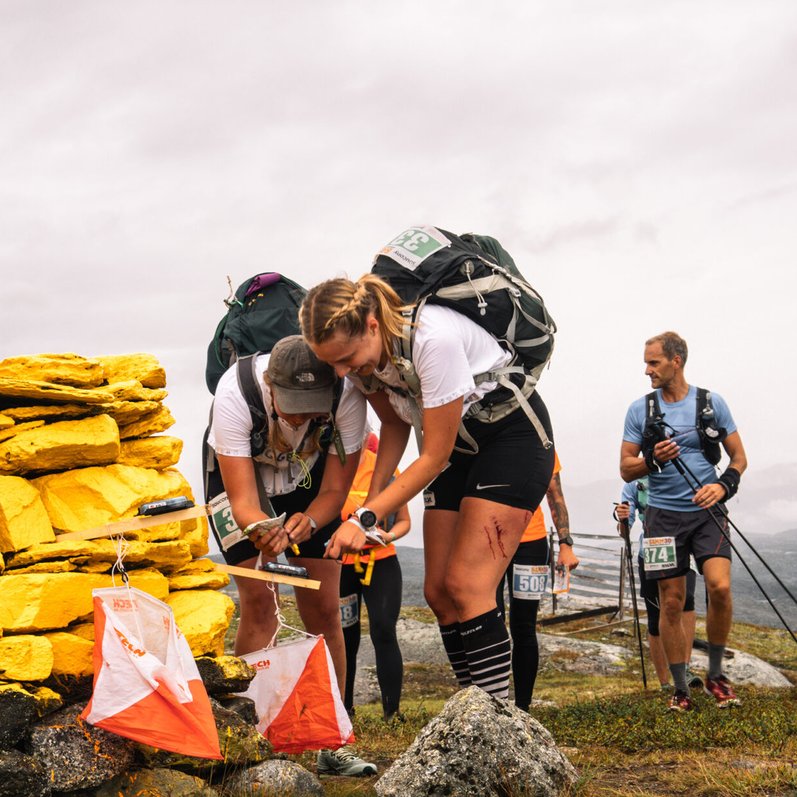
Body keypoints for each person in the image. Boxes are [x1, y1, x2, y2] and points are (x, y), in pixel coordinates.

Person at [300, 274, 555, 700]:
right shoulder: (366, 361)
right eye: (333, 364)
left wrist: (365, 517)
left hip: (511, 438)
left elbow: (433, 457)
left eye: (347, 358)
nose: (342, 373)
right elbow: (396, 424)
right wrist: (369, 509)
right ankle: (471, 712)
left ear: (373, 326)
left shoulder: (430, 338)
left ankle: (499, 728)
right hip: (463, 448)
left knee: (467, 586)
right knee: (438, 591)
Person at [207, 335, 377, 776]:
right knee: (261, 601)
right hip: (241, 481)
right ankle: (252, 736)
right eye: (292, 405)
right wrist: (259, 528)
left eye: (312, 407)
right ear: (270, 384)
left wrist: (312, 522)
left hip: (310, 480)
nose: (302, 415)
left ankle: (332, 739)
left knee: (325, 607)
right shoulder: (234, 393)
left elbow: (336, 491)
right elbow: (243, 501)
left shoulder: (347, 396)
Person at [620, 331, 747, 712]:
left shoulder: (711, 402)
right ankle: (680, 688)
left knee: (719, 588)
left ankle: (715, 675)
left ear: (677, 361)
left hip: (708, 512)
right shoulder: (639, 410)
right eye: (646, 363)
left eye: (654, 362)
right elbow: (626, 469)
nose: (647, 371)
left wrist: (724, 487)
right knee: (670, 603)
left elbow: (738, 456)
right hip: (661, 518)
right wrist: (652, 460)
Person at [496, 451, 579, 710]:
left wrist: (566, 544)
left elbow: (555, 495)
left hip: (531, 543)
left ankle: (523, 708)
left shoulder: (541, 441)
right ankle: (489, 703)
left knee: (524, 627)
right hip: (489, 541)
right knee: (491, 622)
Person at [339, 431, 410, 722]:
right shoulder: (332, 468)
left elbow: (405, 521)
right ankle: (344, 712)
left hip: (382, 562)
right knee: (345, 637)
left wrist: (388, 535)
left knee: (383, 630)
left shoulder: (386, 468)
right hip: (341, 566)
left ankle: (392, 713)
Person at [615, 478, 701, 691]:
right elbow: (624, 531)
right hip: (652, 550)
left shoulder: (681, 471)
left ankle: (685, 669)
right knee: (655, 619)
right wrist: (622, 519)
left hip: (682, 546)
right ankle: (664, 683)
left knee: (686, 602)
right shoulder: (633, 485)